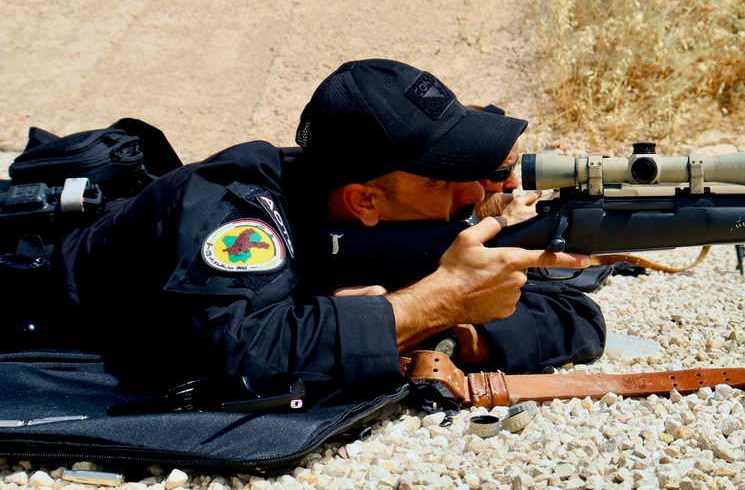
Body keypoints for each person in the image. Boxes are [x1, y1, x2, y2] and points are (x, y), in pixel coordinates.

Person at [53, 58, 606, 400]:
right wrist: (427, 305)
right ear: (364, 201)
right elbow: (238, 351)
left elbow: (576, 318)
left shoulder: (405, 218)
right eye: (445, 179)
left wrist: (452, 328)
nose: (475, 192)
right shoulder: (239, 208)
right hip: (39, 301)